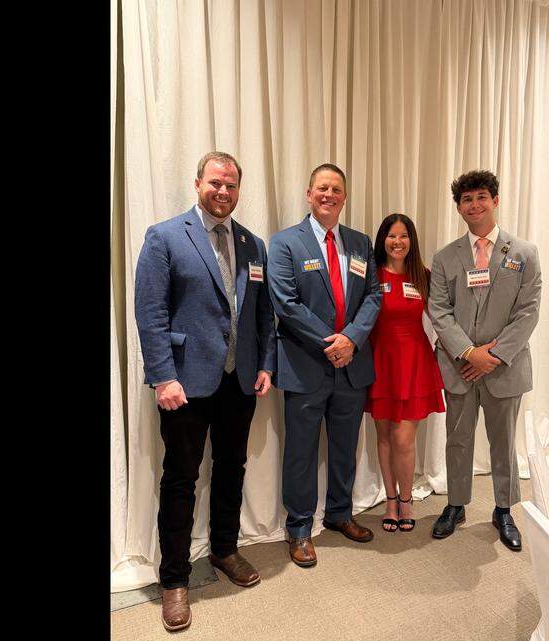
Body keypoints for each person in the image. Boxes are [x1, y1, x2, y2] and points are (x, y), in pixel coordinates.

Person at [134, 151, 277, 631]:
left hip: (239, 381)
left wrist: (264, 365)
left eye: (232, 186)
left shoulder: (252, 244)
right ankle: (174, 579)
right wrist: (163, 375)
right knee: (180, 479)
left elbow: (263, 315)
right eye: (216, 182)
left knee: (232, 468)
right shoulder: (166, 236)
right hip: (185, 384)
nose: (224, 192)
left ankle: (224, 550)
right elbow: (150, 313)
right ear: (198, 183)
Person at [267, 163, 382, 567]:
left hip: (351, 366)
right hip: (306, 365)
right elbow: (285, 302)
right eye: (321, 188)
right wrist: (330, 343)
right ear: (308, 194)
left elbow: (373, 296)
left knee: (345, 447)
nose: (328, 195)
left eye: (335, 189)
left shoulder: (360, 242)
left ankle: (338, 514)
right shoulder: (284, 243)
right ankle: (299, 528)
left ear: (344, 197)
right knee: (300, 451)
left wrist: (351, 339)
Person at [427, 169, 542, 551]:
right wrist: (468, 352)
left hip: (503, 368)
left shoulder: (523, 253)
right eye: (466, 199)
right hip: (459, 367)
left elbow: (528, 312)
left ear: (494, 200)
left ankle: (504, 509)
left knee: (503, 442)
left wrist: (490, 356)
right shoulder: (446, 257)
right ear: (458, 208)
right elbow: (439, 310)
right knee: (457, 440)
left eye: (480, 197)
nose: (473, 205)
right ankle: (456, 505)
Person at [364, 213, 445, 532]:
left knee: (404, 439)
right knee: (383, 437)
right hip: (381, 361)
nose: (397, 242)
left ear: (412, 241)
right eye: (391, 236)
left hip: (413, 362)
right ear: (382, 239)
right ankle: (390, 500)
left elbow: (442, 316)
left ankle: (407, 499)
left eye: (404, 236)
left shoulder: (422, 275)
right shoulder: (371, 275)